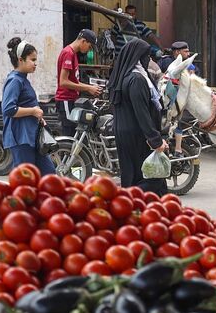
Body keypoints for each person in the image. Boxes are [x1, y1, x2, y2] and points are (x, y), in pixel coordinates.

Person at [109, 40, 167, 194]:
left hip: (123, 132)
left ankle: (132, 205)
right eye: (146, 56)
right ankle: (129, 199)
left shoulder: (123, 77)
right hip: (137, 135)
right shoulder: (137, 80)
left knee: (132, 174)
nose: (149, 60)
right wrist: (155, 140)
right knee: (152, 177)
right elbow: (142, 113)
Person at [1, 38, 56, 175]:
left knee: (49, 175)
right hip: (20, 138)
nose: (35, 64)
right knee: (26, 180)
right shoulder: (14, 80)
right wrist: (33, 111)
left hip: (32, 136)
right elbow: (8, 109)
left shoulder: (22, 79)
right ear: (21, 60)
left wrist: (37, 117)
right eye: (32, 59)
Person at [55, 29, 102, 137]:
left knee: (75, 134)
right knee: (70, 136)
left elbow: (73, 81)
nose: (89, 50)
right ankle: (66, 154)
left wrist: (90, 88)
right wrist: (88, 88)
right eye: (89, 47)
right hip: (65, 99)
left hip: (71, 99)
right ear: (83, 41)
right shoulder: (68, 53)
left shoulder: (72, 54)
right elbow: (63, 82)